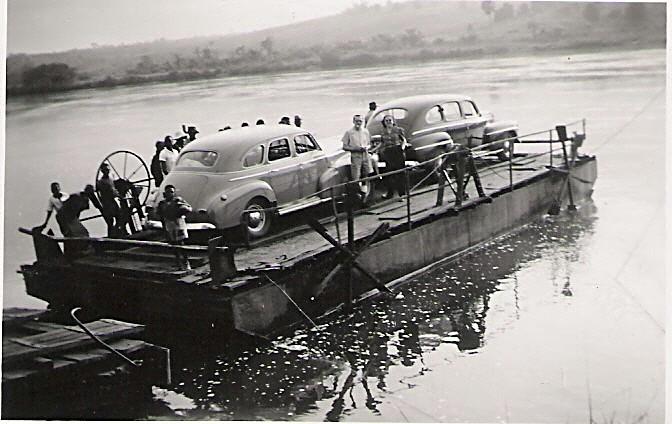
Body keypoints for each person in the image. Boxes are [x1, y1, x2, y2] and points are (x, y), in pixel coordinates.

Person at [156, 185, 192, 270]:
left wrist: (182, 209)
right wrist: (164, 227)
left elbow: (189, 208)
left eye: (172, 192)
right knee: (173, 245)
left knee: (181, 243)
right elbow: (160, 215)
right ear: (165, 193)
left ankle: (186, 262)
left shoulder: (178, 201)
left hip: (178, 224)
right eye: (168, 192)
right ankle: (178, 262)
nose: (170, 194)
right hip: (169, 225)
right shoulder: (162, 203)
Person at [376, 114, 407, 199]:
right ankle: (390, 194)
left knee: (400, 173)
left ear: (393, 121)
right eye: (386, 121)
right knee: (389, 174)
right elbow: (382, 143)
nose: (388, 122)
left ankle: (402, 194)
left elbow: (403, 140)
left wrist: (402, 148)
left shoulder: (398, 130)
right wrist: (374, 149)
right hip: (388, 153)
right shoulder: (383, 131)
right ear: (384, 122)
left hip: (397, 151)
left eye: (390, 120)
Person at [341, 114, 372, 189]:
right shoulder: (349, 132)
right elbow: (344, 146)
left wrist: (366, 147)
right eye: (357, 121)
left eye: (360, 121)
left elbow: (369, 144)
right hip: (356, 156)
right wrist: (355, 149)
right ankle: (356, 193)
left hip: (365, 155)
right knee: (356, 176)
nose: (358, 123)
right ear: (353, 121)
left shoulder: (365, 131)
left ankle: (365, 190)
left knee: (367, 173)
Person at [96, 163, 122, 236]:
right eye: (105, 170)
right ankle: (112, 235)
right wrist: (119, 195)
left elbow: (113, 189)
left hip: (111, 201)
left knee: (119, 217)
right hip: (107, 203)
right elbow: (111, 192)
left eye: (108, 170)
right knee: (111, 221)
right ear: (102, 171)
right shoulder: (101, 182)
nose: (107, 171)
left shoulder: (110, 179)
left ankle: (117, 232)